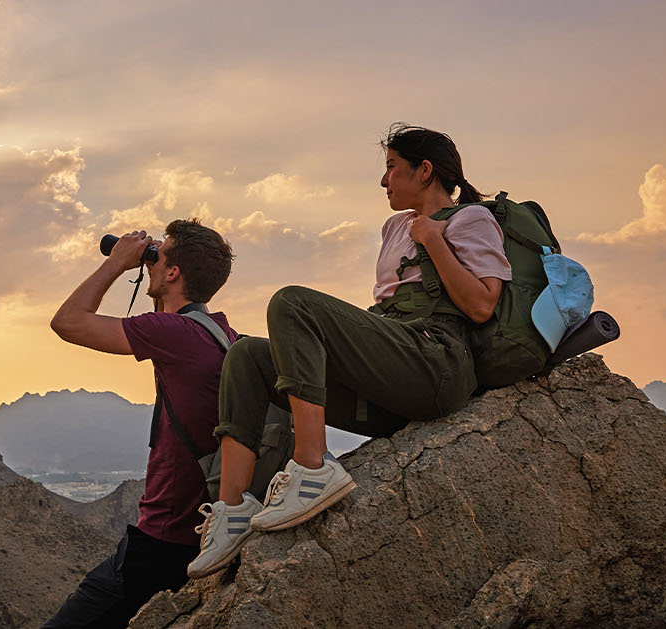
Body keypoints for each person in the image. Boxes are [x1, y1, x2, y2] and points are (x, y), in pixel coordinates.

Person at [188, 124, 512, 577]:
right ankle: (233, 511)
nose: (383, 181)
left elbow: (481, 305)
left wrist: (434, 240)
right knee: (246, 357)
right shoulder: (394, 227)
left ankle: (313, 467)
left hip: (436, 363)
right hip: (392, 377)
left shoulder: (471, 219)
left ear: (424, 170)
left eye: (392, 168)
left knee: (291, 302)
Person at [43, 218, 237, 628]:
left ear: (173, 272)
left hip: (162, 539)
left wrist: (117, 262)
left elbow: (68, 322)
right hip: (200, 532)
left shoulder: (175, 333)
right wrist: (155, 272)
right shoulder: (222, 334)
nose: (150, 261)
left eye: (158, 255)